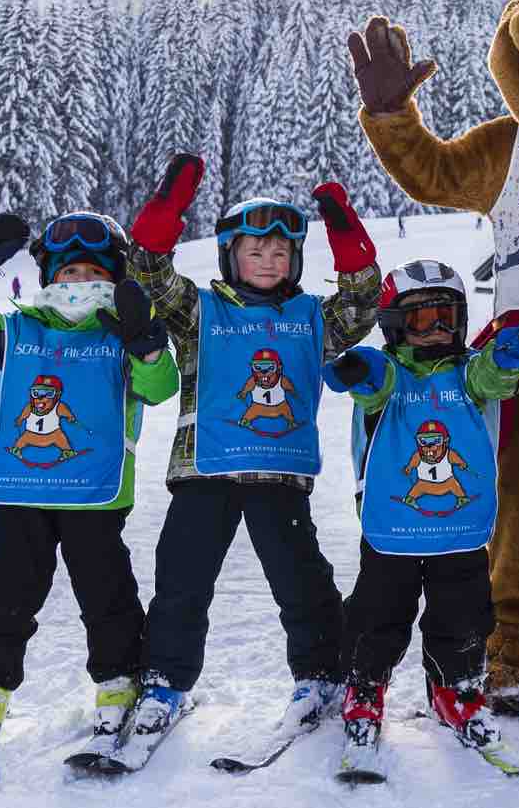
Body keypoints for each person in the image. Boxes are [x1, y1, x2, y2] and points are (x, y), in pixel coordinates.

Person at [122, 159, 384, 759]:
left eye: (280, 255)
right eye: (254, 253)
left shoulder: (313, 318)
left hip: (279, 474)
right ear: (228, 257)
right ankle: (165, 681)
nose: (268, 264)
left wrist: (343, 228)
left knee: (301, 578)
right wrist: (169, 205)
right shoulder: (198, 312)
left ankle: (320, 674)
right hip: (204, 471)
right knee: (182, 581)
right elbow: (146, 270)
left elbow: (364, 299)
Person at [0, 209, 178, 776]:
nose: (78, 285)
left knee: (106, 593)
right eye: (68, 274)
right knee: (10, 595)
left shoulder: (119, 332)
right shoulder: (19, 330)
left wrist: (146, 343)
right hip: (25, 491)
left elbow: (160, 387)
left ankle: (119, 682)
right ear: (49, 276)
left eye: (92, 275)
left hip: (95, 493)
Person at [321, 260, 519, 772]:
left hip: (459, 532)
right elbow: (372, 379)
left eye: (446, 316)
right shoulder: (391, 373)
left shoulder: (470, 371)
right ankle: (365, 691)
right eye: (422, 319)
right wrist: (356, 369)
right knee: (377, 615)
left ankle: (456, 691)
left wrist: (509, 357)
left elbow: (494, 377)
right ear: (396, 326)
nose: (437, 328)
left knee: (465, 615)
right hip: (393, 531)